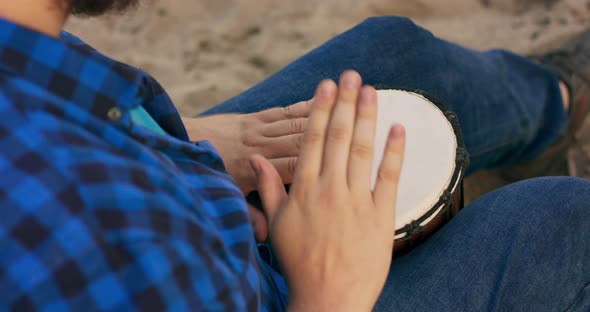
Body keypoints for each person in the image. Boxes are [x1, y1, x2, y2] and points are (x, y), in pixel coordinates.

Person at [0, 0, 588, 311]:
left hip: (182, 202)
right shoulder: (81, 235)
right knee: (564, 224)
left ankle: (558, 107)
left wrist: (177, 138)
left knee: (393, 50)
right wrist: (330, 294)